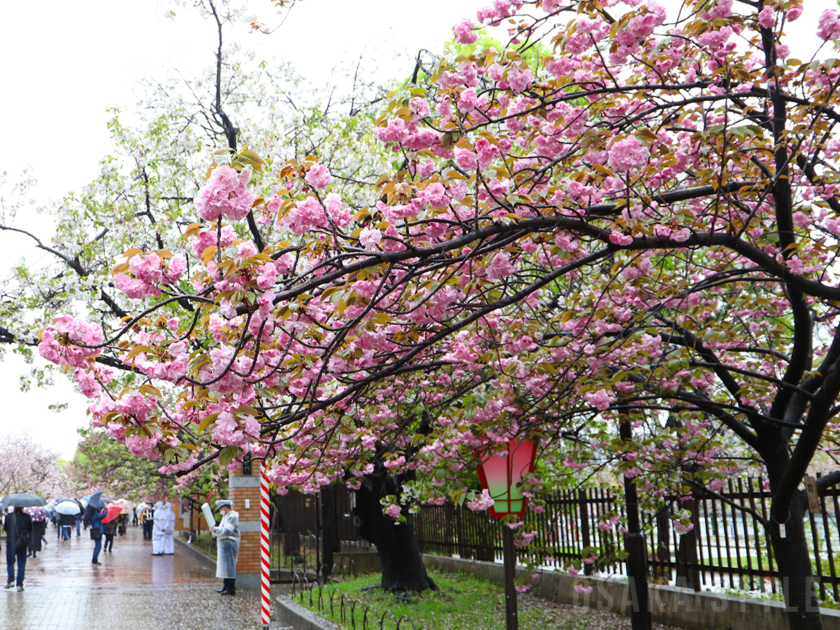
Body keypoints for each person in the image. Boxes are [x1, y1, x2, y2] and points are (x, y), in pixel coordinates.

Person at [211, 500, 240, 595]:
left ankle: (230, 588)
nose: (220, 510)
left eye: (220, 508)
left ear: (224, 507)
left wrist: (215, 529)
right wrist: (215, 530)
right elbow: (222, 530)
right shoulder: (225, 516)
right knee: (225, 567)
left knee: (230, 566)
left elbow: (227, 530)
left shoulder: (232, 517)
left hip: (230, 544)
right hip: (225, 545)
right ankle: (225, 586)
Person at [4, 507, 32, 591]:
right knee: (21, 563)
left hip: (11, 542)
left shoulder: (8, 517)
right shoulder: (26, 517)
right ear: (22, 507)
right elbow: (30, 529)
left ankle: (10, 580)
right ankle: (19, 584)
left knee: (10, 563)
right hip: (22, 543)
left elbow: (5, 528)